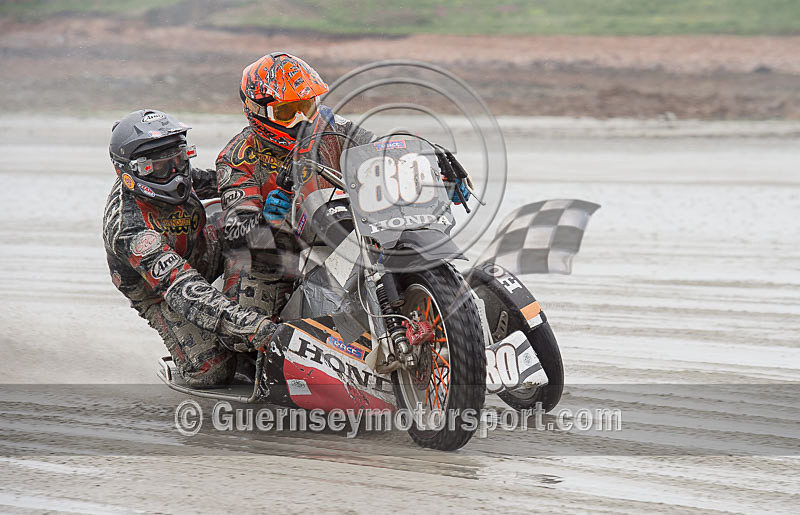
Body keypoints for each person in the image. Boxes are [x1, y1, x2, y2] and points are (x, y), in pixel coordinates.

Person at [216, 53, 472, 320]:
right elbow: (235, 231)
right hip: (278, 252)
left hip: (347, 225)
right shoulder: (237, 157)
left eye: (306, 106)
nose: (302, 119)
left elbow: (380, 152)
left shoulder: (332, 125)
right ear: (257, 111)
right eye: (287, 112)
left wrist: (428, 168)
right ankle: (252, 358)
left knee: (403, 239)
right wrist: (264, 218)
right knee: (245, 329)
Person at [102, 109, 278, 387]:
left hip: (203, 247)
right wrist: (252, 327)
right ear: (130, 171)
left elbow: (230, 181)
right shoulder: (128, 229)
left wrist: (277, 186)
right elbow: (183, 289)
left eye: (178, 157)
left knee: (257, 223)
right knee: (211, 372)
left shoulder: (183, 176)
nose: (173, 171)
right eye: (157, 166)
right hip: (160, 291)